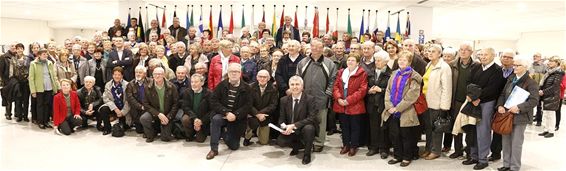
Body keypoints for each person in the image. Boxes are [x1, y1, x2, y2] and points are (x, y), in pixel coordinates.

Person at [464, 48, 506, 170]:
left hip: (487, 103)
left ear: (493, 55)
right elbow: (469, 82)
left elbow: (493, 89)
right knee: (472, 129)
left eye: (485, 55)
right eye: (481, 54)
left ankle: (483, 159)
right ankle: (473, 156)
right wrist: (471, 96)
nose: (483, 57)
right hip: (473, 101)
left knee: (483, 131)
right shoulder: (476, 67)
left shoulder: (498, 70)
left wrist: (478, 97)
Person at [495, 56, 539, 171]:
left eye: (517, 65)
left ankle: (514, 167)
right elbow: (503, 94)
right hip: (506, 115)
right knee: (506, 141)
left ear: (525, 67)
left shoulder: (530, 82)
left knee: (516, 143)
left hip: (520, 116)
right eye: (514, 65)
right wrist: (500, 105)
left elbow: (534, 100)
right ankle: (506, 165)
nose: (514, 67)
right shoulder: (511, 78)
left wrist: (519, 107)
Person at [296, 39, 337, 152]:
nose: (316, 49)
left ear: (323, 48)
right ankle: (305, 142)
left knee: (320, 122)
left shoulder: (329, 64)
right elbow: (298, 78)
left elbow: (333, 80)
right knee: (304, 121)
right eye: (313, 46)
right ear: (310, 47)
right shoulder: (302, 62)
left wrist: (327, 94)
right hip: (305, 98)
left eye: (319, 47)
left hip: (321, 98)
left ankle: (319, 144)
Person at [383, 50, 422, 167]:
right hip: (392, 110)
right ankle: (397, 155)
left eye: (404, 60)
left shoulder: (414, 76)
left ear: (409, 62)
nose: (401, 61)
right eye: (400, 59)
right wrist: (389, 106)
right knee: (394, 135)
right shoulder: (394, 73)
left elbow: (412, 96)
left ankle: (406, 157)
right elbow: (388, 91)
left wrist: (397, 108)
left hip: (406, 111)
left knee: (406, 136)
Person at [206, 63, 251, 159]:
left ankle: (222, 133)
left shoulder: (247, 88)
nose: (234, 73)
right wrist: (226, 112)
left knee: (234, 146)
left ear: (240, 73)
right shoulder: (221, 85)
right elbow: (213, 101)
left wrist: (236, 115)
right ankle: (214, 149)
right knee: (215, 119)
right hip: (223, 114)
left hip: (237, 118)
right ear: (228, 73)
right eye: (231, 71)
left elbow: (248, 105)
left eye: (236, 72)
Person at [447, 41, 479, 159]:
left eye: (466, 49)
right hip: (456, 100)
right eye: (461, 49)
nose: (463, 51)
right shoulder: (452, 65)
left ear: (471, 52)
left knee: (469, 127)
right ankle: (457, 150)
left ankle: (469, 151)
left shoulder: (477, 66)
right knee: (456, 127)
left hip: (470, 102)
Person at [277, 76, 319, 165]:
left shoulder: (310, 99)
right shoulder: (283, 100)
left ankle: (307, 154)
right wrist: (284, 127)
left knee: (309, 129)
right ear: (289, 86)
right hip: (291, 128)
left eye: (297, 84)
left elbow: (312, 118)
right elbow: (281, 118)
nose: (295, 87)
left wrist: (294, 125)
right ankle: (296, 147)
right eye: (292, 84)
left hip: (304, 126)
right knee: (281, 141)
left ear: (302, 86)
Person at [332, 54, 368, 156]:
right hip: (341, 104)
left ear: (357, 63)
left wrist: (348, 100)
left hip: (354, 105)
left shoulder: (362, 73)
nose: (350, 62)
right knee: (344, 127)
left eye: (353, 60)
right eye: (349, 60)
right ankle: (346, 145)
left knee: (355, 127)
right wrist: (338, 98)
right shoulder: (341, 72)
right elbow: (335, 87)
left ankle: (353, 146)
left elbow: (362, 90)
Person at [421, 44, 453, 160]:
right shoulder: (429, 65)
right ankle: (428, 148)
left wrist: (444, 107)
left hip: (437, 103)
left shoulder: (444, 67)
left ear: (440, 54)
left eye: (433, 51)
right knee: (428, 128)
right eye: (429, 51)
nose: (430, 53)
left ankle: (436, 151)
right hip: (426, 101)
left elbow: (447, 88)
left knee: (436, 129)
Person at [140, 67, 179, 142]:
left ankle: (165, 128)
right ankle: (151, 133)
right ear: (152, 75)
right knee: (144, 118)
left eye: (159, 74)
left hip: (167, 114)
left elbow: (175, 104)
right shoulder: (148, 87)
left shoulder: (171, 87)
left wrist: (169, 116)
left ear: (164, 75)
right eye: (155, 74)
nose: (157, 76)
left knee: (165, 138)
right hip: (154, 113)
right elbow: (145, 104)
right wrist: (158, 114)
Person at [366, 51, 392, 158]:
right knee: (373, 127)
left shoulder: (390, 74)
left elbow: (392, 90)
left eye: (379, 60)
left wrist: (381, 90)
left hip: (384, 104)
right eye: (376, 60)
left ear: (386, 61)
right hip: (372, 103)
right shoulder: (371, 72)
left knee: (384, 128)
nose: (377, 62)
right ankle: (374, 147)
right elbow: (365, 86)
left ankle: (384, 148)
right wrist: (369, 90)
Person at [244, 70, 279, 146]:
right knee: (252, 122)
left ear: (268, 78)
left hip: (265, 116)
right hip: (252, 115)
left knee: (264, 142)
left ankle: (258, 130)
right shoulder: (250, 87)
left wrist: (261, 114)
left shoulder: (273, 89)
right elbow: (248, 104)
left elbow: (273, 105)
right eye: (260, 77)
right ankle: (247, 137)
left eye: (264, 77)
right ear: (257, 77)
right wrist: (257, 114)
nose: (262, 79)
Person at [29, 49, 60, 129]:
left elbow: (53, 76)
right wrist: (33, 91)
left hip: (49, 86)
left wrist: (57, 87)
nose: (46, 56)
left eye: (46, 54)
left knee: (47, 105)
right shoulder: (33, 64)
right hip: (39, 88)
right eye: (44, 54)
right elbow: (31, 78)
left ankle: (46, 121)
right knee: (40, 105)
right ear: (39, 55)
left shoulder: (49, 63)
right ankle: (40, 122)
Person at [98, 67, 130, 135]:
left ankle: (123, 123)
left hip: (123, 108)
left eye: (119, 74)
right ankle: (107, 128)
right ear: (112, 75)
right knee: (103, 109)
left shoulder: (127, 85)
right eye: (115, 74)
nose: (117, 76)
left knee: (124, 127)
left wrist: (122, 112)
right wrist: (115, 109)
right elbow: (106, 98)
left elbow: (128, 100)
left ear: (122, 76)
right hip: (113, 107)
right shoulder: (108, 84)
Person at [181, 73, 212, 143]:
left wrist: (201, 121)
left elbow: (212, 110)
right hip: (192, 117)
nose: (193, 84)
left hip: (203, 119)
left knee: (200, 140)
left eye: (196, 82)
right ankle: (189, 135)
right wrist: (195, 118)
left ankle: (200, 131)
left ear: (202, 83)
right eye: (192, 82)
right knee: (185, 119)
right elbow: (186, 107)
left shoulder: (208, 93)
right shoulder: (187, 92)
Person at [538, 56, 564, 138]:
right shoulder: (549, 72)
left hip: (552, 96)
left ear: (557, 63)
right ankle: (546, 130)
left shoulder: (559, 72)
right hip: (546, 96)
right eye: (549, 61)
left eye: (552, 61)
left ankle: (551, 131)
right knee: (545, 114)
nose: (549, 63)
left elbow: (555, 86)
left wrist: (543, 92)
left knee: (550, 115)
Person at [125, 65, 150, 134]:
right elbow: (130, 98)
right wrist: (140, 106)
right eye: (136, 72)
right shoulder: (130, 84)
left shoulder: (151, 82)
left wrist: (147, 106)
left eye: (140, 72)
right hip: (136, 109)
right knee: (139, 131)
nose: (138, 74)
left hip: (149, 107)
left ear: (145, 74)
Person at [10, 43, 31, 122]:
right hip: (17, 82)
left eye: (21, 48)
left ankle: (25, 116)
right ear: (16, 50)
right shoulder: (13, 59)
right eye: (18, 48)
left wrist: (29, 77)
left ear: (23, 49)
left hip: (26, 82)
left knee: (26, 100)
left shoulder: (27, 58)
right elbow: (11, 71)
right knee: (18, 100)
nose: (19, 50)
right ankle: (19, 116)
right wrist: (12, 80)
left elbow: (30, 69)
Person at [0, 43, 16, 120]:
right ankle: (8, 113)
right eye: (12, 46)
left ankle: (17, 113)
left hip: (15, 80)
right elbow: (1, 70)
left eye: (15, 46)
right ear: (9, 47)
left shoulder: (17, 56)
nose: (14, 47)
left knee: (16, 97)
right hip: (7, 80)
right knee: (8, 98)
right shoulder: (4, 57)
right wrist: (3, 81)